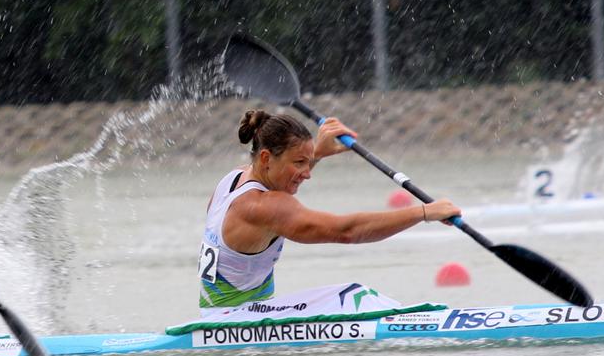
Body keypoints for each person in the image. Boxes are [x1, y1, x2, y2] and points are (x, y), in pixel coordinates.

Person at [195, 109, 461, 320]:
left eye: (308, 161)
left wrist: (317, 152)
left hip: (219, 316)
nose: (308, 172)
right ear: (266, 158)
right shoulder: (265, 206)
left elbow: (275, 194)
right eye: (299, 163)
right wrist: (424, 212)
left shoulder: (232, 180)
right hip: (238, 323)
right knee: (355, 296)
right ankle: (427, 324)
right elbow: (346, 232)